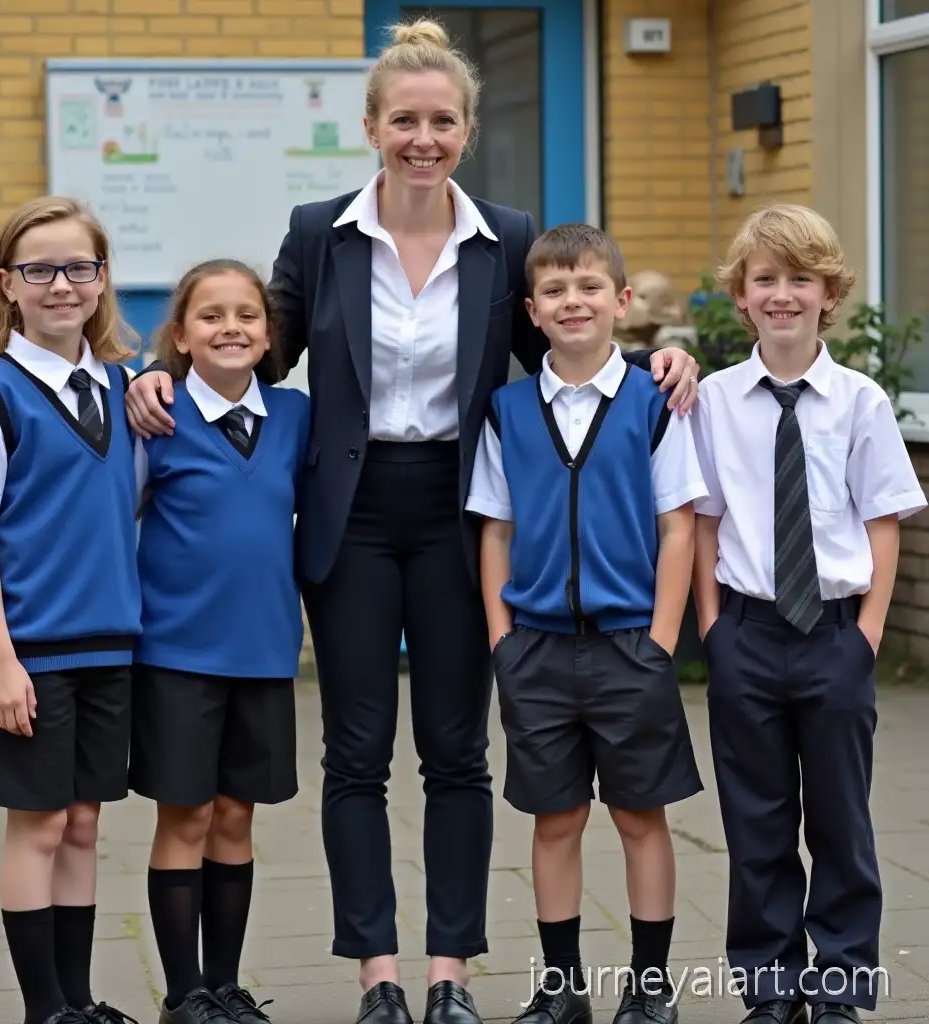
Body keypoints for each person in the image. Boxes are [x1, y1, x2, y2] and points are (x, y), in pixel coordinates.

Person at [123, 19, 700, 1024]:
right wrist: (156, 375)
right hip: (348, 514)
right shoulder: (320, 231)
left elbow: (563, 354)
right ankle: (378, 974)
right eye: (403, 121)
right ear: (371, 128)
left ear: (467, 131)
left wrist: (660, 364)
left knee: (456, 753)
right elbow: (256, 348)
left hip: (460, 508)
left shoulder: (507, 237)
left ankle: (449, 974)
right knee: (355, 755)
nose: (421, 139)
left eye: (441, 121)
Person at [690, 204, 927, 1024]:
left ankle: (840, 985)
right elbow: (705, 522)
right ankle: (769, 986)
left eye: (801, 278)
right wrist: (713, 630)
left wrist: (867, 636)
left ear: (829, 294)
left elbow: (883, 521)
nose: (782, 294)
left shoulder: (860, 402)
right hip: (747, 635)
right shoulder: (714, 401)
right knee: (755, 822)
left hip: (834, 635)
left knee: (840, 820)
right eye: (766, 279)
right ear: (741, 296)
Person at [466, 223, 707, 1024]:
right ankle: (562, 990)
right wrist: (502, 638)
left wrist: (661, 643)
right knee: (556, 819)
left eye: (589, 287)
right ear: (532, 311)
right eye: (556, 290)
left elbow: (678, 528)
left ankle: (650, 987)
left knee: (640, 816)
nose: (574, 301)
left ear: (621, 301)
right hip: (535, 652)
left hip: (631, 646)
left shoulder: (655, 403)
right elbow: (495, 532)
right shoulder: (506, 411)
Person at [0, 196, 142, 1024]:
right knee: (40, 826)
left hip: (110, 646)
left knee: (84, 824)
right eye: (40, 269)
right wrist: (0, 661)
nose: (62, 284)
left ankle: (79, 1001)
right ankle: (43, 1010)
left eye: (79, 267)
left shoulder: (122, 388)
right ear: (7, 284)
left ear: (102, 279)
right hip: (33, 653)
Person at [129, 259, 309, 1024]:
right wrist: (139, 378)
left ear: (269, 336)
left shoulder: (297, 417)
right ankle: (183, 995)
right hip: (176, 654)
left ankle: (225, 987)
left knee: (236, 817)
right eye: (210, 315)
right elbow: (119, 515)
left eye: (246, 315)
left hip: (264, 651)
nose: (230, 327)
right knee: (188, 817)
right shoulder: (156, 416)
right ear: (180, 336)